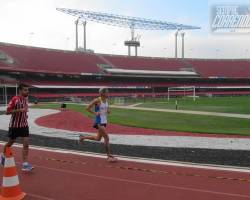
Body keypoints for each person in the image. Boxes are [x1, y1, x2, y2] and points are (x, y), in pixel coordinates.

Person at [1, 83, 33, 171]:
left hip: (24, 125)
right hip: (14, 126)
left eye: (28, 90)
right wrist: (20, 110)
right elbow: (7, 112)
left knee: (26, 144)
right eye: (25, 90)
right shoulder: (15, 99)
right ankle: (3, 155)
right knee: (10, 143)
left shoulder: (26, 100)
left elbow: (24, 111)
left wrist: (25, 115)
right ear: (20, 90)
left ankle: (25, 164)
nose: (27, 91)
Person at [79, 87, 117, 162]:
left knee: (98, 138)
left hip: (104, 121)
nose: (108, 93)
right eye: (107, 92)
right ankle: (109, 156)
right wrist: (95, 113)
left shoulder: (106, 100)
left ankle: (83, 137)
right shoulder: (97, 100)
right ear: (102, 93)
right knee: (107, 138)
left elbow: (105, 109)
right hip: (99, 121)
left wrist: (108, 111)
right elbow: (87, 108)